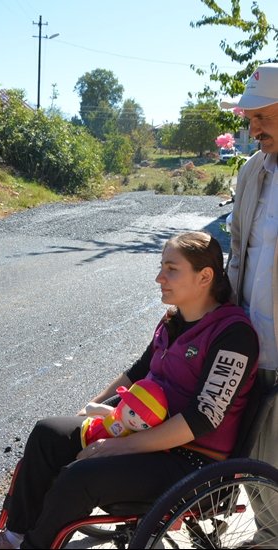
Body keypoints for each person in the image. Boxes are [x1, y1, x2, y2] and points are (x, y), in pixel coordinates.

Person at [0, 231, 258, 549]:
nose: (159, 277)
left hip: (192, 461)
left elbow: (203, 418)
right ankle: (14, 538)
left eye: (171, 269)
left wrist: (124, 447)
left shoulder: (234, 335)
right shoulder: (173, 321)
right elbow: (138, 372)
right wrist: (89, 409)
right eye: (161, 267)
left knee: (82, 476)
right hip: (142, 432)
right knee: (49, 434)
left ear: (204, 276)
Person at [221, 61, 278, 544]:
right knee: (251, 464)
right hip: (249, 351)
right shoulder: (251, 172)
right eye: (249, 117)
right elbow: (238, 253)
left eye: (263, 115)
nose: (253, 127)